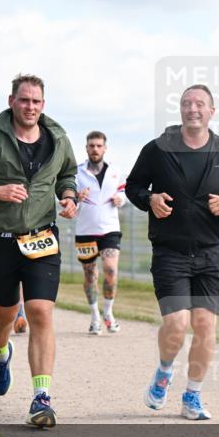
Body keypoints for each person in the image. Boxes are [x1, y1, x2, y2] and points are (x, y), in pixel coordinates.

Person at [0, 73, 78, 428]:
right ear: (11, 101)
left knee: (40, 311)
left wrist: (67, 197)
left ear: (44, 105)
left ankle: (41, 398)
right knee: (5, 315)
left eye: (36, 101)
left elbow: (67, 174)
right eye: (24, 100)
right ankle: (0, 353)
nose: (30, 107)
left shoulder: (58, 138)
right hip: (2, 239)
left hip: (42, 237)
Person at [126, 84, 219, 421]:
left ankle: (192, 397)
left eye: (199, 104)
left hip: (211, 254)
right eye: (186, 103)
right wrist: (149, 199)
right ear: (180, 110)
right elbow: (135, 186)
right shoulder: (158, 149)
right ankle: (164, 372)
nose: (192, 108)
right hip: (170, 252)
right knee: (177, 323)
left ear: (212, 111)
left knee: (204, 324)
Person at [75, 130, 127, 335]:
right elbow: (68, 196)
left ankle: (108, 312)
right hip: (85, 231)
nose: (95, 149)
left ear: (105, 148)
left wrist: (120, 200)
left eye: (98, 145)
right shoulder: (77, 173)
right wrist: (77, 197)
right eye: (91, 145)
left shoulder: (116, 171)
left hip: (109, 229)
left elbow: (123, 192)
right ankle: (94, 316)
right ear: (86, 148)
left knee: (110, 271)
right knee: (90, 275)